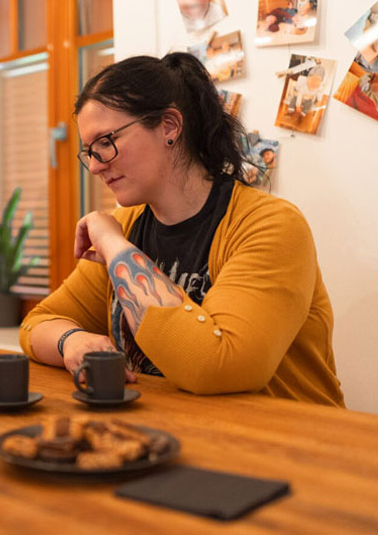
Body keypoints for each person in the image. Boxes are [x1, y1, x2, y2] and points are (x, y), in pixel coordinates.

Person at [18, 53, 345, 407]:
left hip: (294, 446)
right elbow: (37, 323)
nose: (95, 166)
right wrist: (72, 339)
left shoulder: (271, 226)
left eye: (106, 143)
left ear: (169, 126)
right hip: (182, 435)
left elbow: (218, 366)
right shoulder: (127, 226)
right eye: (89, 152)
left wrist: (113, 246)